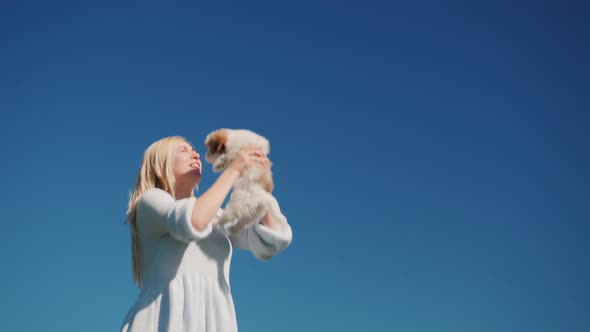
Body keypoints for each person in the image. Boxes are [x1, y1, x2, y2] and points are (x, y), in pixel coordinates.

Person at [120, 136, 293, 332]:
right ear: (161, 162)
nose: (195, 154)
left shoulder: (216, 217)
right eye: (183, 150)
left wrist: (257, 181)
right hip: (162, 320)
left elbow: (270, 238)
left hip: (213, 320)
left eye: (194, 150)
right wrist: (234, 170)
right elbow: (193, 221)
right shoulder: (151, 202)